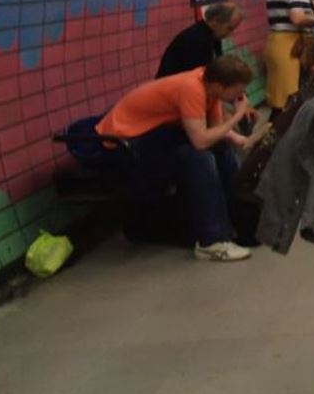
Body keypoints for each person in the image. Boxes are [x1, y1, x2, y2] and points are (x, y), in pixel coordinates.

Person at [96, 56, 256, 261]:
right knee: (199, 158)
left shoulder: (210, 88)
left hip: (153, 136)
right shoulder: (192, 88)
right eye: (237, 89)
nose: (241, 95)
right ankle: (212, 240)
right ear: (219, 85)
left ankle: (239, 222)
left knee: (220, 151)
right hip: (124, 143)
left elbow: (215, 132)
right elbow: (200, 141)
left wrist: (238, 138)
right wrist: (237, 115)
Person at [156, 3, 243, 78]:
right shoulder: (196, 40)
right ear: (215, 21)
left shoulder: (212, 36)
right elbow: (198, 78)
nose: (230, 34)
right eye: (229, 28)